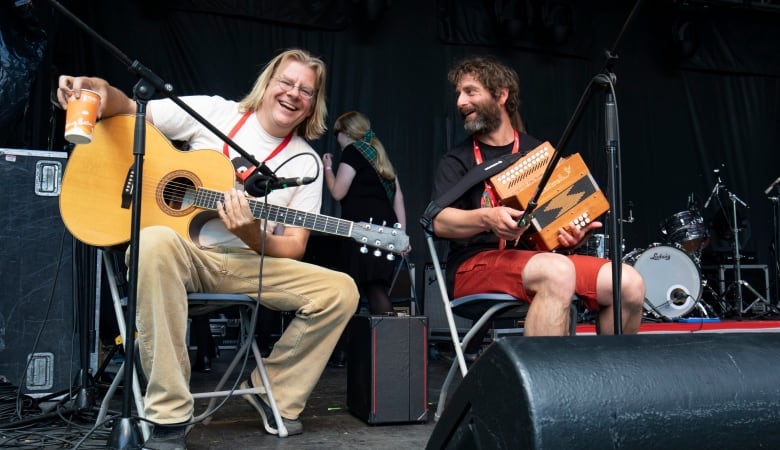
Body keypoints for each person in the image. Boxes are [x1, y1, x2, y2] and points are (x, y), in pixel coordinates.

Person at [57, 48, 359, 449]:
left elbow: (295, 248)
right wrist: (95, 90)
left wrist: (253, 234)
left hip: (247, 263)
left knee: (341, 291)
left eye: (306, 90)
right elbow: (130, 107)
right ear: (267, 83)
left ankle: (275, 392)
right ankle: (169, 414)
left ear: (312, 105)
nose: (293, 94)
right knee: (153, 239)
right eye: (286, 82)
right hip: (177, 254)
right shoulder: (216, 113)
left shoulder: (303, 161)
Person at [428, 55, 645, 338]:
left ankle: (609, 379)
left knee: (627, 282)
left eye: (470, 92)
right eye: (458, 94)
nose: (460, 102)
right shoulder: (456, 160)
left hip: (540, 260)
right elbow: (438, 222)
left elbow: (555, 227)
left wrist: (570, 237)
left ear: (501, 94)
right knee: (557, 271)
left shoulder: (540, 152)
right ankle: (548, 382)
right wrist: (487, 217)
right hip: (475, 266)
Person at [322, 111, 408, 315]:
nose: (337, 141)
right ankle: (380, 341)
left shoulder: (352, 151)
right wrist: (402, 236)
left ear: (345, 133)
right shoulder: (379, 156)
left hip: (362, 229)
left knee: (363, 289)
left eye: (337, 135)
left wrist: (327, 168)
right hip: (386, 230)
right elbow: (399, 199)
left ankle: (378, 342)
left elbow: (337, 192)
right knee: (375, 287)